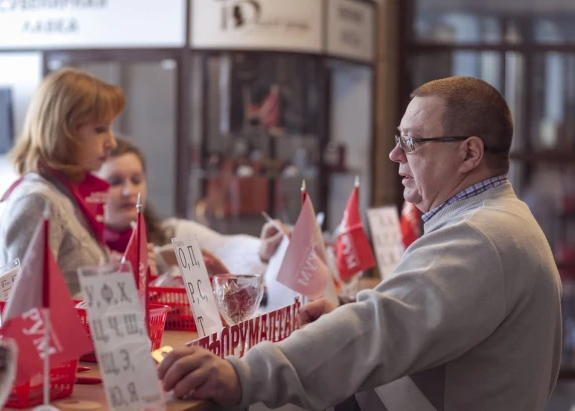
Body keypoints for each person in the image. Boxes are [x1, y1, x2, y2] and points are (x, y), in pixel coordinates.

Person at [156, 76, 562, 410]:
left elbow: (381, 329)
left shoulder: (479, 235)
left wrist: (242, 375)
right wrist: (344, 315)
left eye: (411, 142)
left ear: (470, 152)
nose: (394, 155)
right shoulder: (498, 220)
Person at [0, 68, 125, 296]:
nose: (112, 142)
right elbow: (26, 307)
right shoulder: (37, 200)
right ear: (63, 131)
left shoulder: (64, 196)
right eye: (100, 129)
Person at [97, 138, 267, 277]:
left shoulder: (174, 233)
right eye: (115, 182)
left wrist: (262, 251)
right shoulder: (83, 254)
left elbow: (226, 248)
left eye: (136, 180)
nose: (129, 191)